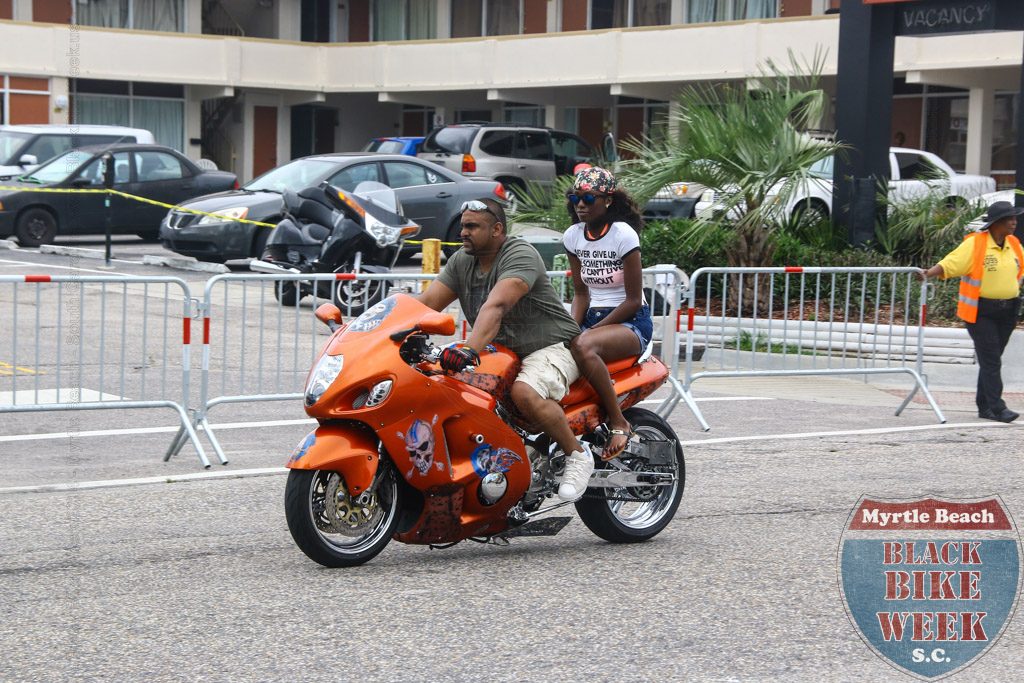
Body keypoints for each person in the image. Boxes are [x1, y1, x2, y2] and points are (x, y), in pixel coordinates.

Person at [417, 197, 595, 502]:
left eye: (472, 226)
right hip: (503, 350)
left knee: (525, 392)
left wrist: (470, 349)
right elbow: (424, 305)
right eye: (463, 226)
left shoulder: (519, 254)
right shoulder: (462, 261)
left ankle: (577, 455)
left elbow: (496, 305)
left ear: (497, 229)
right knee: (439, 384)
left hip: (551, 346)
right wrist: (379, 329)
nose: (463, 232)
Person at [562, 166, 652, 459]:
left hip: (629, 322)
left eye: (589, 198)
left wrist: (590, 333)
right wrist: (570, 329)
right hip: (593, 319)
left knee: (585, 345)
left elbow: (633, 300)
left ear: (608, 201)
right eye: (577, 198)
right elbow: (580, 294)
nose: (581, 205)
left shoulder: (623, 235)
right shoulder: (573, 236)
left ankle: (618, 421)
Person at [919, 200, 1024, 423]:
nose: (1014, 222)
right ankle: (998, 407)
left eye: (1015, 218)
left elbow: (1020, 268)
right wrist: (928, 273)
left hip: (1007, 311)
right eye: (1009, 219)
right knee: (992, 360)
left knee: (991, 359)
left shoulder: (1013, 244)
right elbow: (951, 263)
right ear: (996, 223)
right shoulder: (976, 244)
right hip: (981, 312)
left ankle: (984, 406)